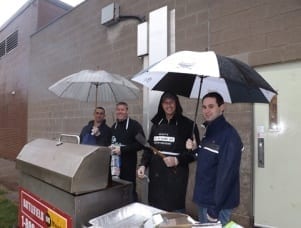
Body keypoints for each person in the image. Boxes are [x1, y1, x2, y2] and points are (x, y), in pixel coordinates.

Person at [186, 92, 243, 226]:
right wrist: (194, 149)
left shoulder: (229, 136)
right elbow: (206, 158)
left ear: (222, 107)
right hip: (205, 198)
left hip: (216, 205)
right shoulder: (210, 131)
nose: (206, 111)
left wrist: (214, 210)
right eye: (204, 107)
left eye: (211, 106)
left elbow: (227, 175)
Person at [137, 91, 200, 212]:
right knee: (156, 213)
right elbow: (149, 148)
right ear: (161, 105)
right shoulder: (156, 124)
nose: (168, 105)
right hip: (156, 177)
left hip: (176, 177)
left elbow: (195, 154)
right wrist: (143, 165)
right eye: (165, 102)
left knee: (175, 215)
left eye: (171, 102)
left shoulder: (189, 125)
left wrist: (177, 160)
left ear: (176, 104)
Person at [110, 101, 145, 201]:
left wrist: (123, 149)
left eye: (122, 109)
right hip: (115, 166)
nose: (120, 112)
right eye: (118, 110)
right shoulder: (113, 127)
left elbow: (142, 144)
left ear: (127, 111)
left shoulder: (135, 126)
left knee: (129, 191)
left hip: (128, 166)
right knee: (116, 191)